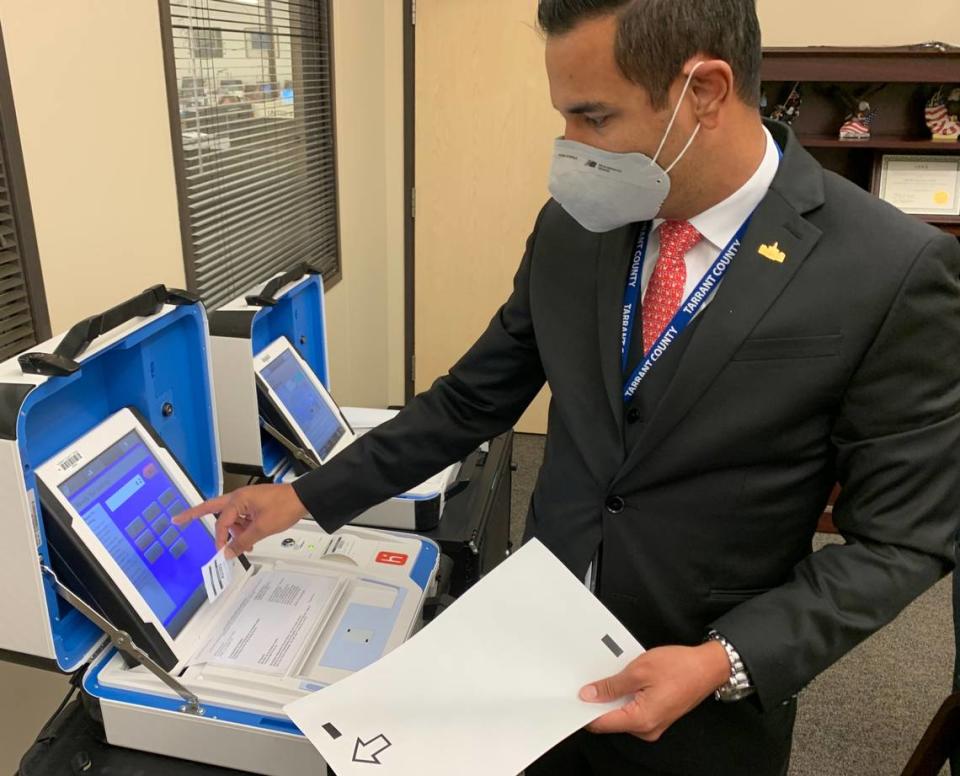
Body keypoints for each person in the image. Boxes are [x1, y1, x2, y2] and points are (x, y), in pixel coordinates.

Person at [176, 0, 960, 773]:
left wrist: (722, 661)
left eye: (594, 118)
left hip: (698, 686)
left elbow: (901, 540)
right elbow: (471, 400)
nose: (570, 148)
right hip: (529, 649)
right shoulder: (577, 225)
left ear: (707, 92)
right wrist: (306, 497)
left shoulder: (889, 271)